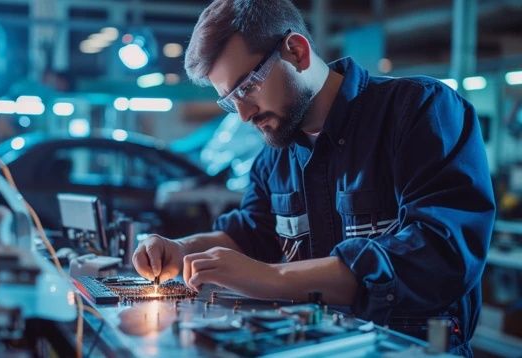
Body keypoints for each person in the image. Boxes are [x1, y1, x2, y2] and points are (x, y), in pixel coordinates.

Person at [132, 0, 495, 355]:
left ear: (296, 52)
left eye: (247, 87)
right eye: (229, 100)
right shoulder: (274, 158)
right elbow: (253, 233)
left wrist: (273, 280)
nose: (242, 114)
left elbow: (441, 254)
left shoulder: (420, 111)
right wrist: (182, 248)